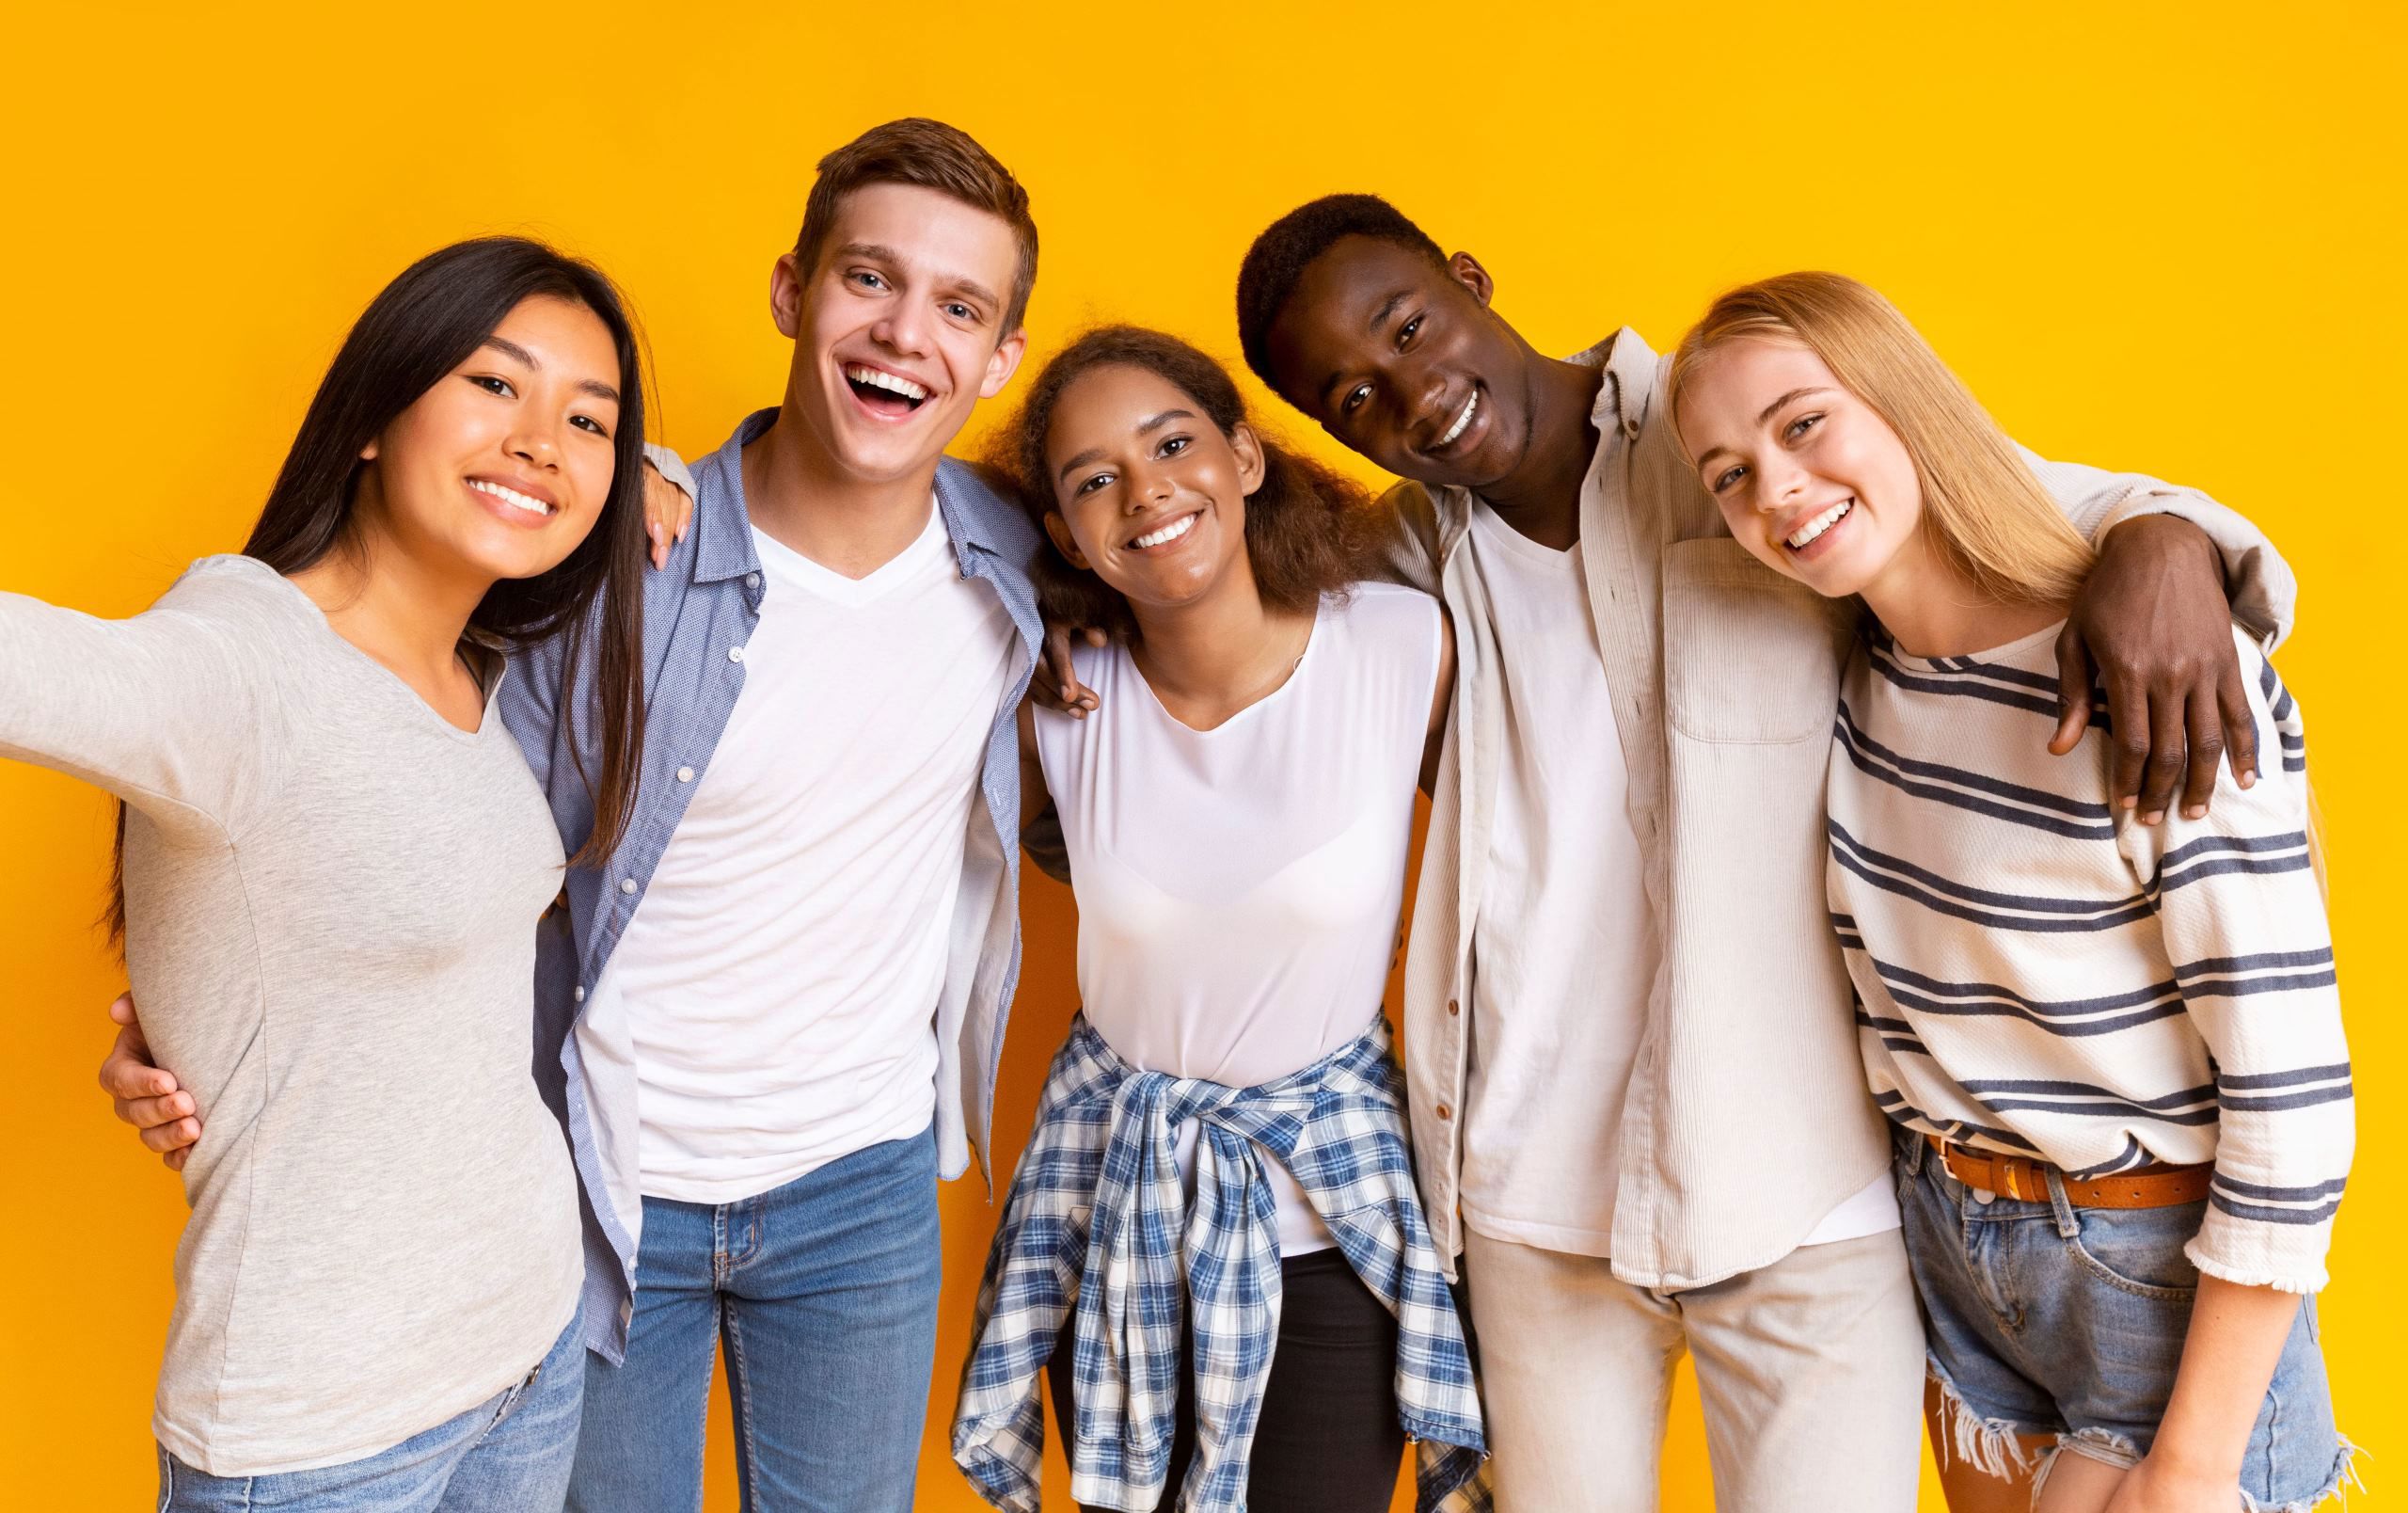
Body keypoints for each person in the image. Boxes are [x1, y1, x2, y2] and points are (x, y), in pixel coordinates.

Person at [1125, 196, 2298, 1511]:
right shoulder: (1397, 565)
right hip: (1527, 1199)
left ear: (1467, 276)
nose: (1412, 393)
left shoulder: (1733, 434)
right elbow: (1205, 619)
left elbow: (1975, 485)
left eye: (1411, 326)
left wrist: (2168, 535)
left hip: (1804, 1185)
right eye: (1353, 397)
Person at [99, 119, 1050, 1512]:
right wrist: (205, 1011)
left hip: (865, 1185)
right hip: (602, 1191)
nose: (907, 334)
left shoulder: (1020, 557)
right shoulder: (605, 551)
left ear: (1000, 358)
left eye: (959, 307)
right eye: (869, 280)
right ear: (792, 292)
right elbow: (361, 744)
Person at [1667, 270, 2353, 1513]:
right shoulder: (1859, 674)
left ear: (1902, 401)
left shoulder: (2160, 679)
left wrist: (2192, 1461)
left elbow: (2292, 1100)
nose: (1775, 490)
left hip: (2155, 1266)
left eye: (1802, 423)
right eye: (1727, 472)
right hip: (1954, 1243)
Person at [4, 235, 652, 1507]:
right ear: (372, 415)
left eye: (589, 419)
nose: (541, 441)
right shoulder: (245, 661)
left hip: (525, 1344)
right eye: (493, 384)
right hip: (326, 1429)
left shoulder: (486, 671)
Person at [951, 327, 1486, 1513]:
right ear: (1060, 532)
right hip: (1117, 1210)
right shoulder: (1052, 698)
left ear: (1244, 458)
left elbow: (1527, 862)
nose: (1144, 492)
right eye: (1093, 479)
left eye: (1172, 443)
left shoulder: (1402, 645)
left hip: (1331, 1224)